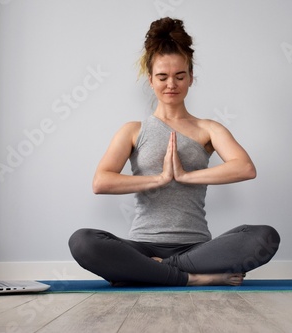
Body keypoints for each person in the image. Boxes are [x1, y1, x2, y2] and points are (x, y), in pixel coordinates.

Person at [69, 17, 280, 287]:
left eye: (180, 76)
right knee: (83, 241)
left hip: (196, 250)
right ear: (150, 80)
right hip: (141, 247)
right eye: (162, 77)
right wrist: (159, 179)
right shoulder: (133, 130)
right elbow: (101, 182)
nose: (172, 84)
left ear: (191, 78)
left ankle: (151, 272)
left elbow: (245, 168)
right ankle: (192, 279)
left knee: (265, 236)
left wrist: (184, 175)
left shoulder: (208, 129)